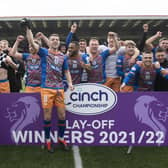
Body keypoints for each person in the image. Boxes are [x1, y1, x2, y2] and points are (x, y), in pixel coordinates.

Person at [25, 20, 74, 153]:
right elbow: (32, 43)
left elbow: (66, 71)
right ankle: (47, 141)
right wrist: (28, 28)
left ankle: (61, 139)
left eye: (57, 39)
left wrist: (70, 82)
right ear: (49, 41)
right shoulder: (44, 53)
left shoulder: (63, 57)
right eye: (53, 39)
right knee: (47, 117)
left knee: (62, 115)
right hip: (46, 88)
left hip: (59, 89)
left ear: (59, 42)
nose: (55, 41)